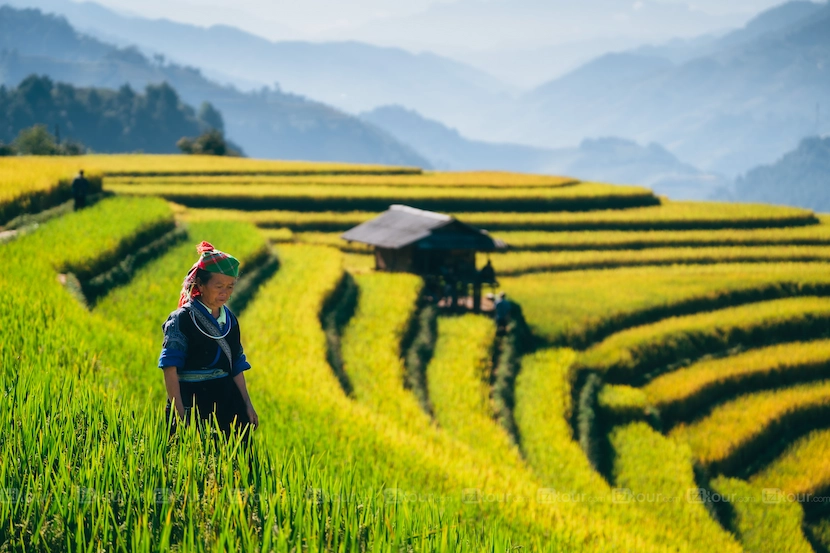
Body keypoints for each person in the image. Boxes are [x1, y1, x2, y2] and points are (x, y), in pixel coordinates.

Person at [158, 241, 259, 437]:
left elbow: (236, 365)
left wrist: (247, 404)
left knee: (237, 461)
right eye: (219, 286)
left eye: (230, 286)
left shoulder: (230, 320)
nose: (225, 292)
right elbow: (170, 369)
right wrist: (179, 415)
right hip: (191, 401)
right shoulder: (182, 319)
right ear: (201, 286)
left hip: (228, 401)